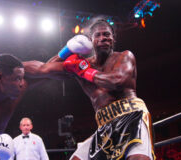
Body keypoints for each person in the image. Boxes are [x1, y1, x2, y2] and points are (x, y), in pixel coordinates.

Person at [51, 18, 155, 160]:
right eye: (98, 35)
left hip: (132, 116)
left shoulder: (124, 56)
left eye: (106, 34)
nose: (103, 38)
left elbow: (116, 81)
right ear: (91, 40)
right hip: (105, 126)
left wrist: (84, 71)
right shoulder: (83, 63)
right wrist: (67, 50)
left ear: (113, 38)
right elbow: (46, 70)